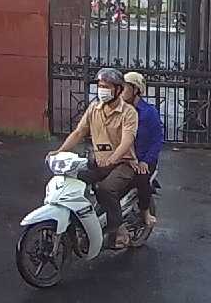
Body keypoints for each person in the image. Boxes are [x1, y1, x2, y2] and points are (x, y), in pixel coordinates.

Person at [49, 67, 138, 249]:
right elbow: (79, 132)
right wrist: (59, 151)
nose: (102, 90)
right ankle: (81, 221)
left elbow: (127, 141)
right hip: (99, 161)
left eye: (106, 86)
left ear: (118, 90)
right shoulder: (94, 108)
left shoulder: (129, 113)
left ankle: (117, 230)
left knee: (104, 188)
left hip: (124, 163)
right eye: (100, 86)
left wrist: (112, 158)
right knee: (73, 178)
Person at [122, 71, 161, 227]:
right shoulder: (120, 110)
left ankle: (145, 212)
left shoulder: (149, 113)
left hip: (144, 159)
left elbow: (157, 140)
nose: (121, 91)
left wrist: (145, 161)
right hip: (124, 157)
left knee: (142, 177)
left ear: (136, 90)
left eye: (125, 87)